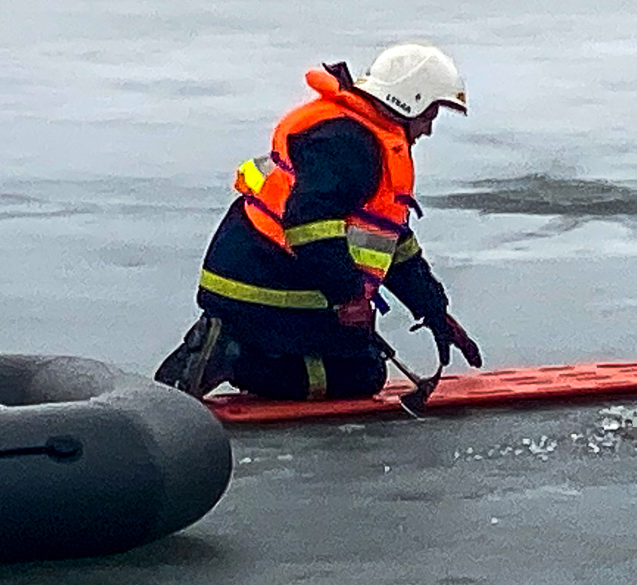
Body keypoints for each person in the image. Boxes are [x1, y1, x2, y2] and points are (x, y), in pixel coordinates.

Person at [155, 41, 483, 401]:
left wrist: (434, 309)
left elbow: (392, 243)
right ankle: (236, 354)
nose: (428, 131)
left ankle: (235, 343)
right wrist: (348, 296)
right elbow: (308, 226)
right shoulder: (353, 144)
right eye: (428, 117)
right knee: (361, 373)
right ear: (410, 102)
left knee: (356, 356)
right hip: (266, 290)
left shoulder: (357, 133)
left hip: (260, 279)